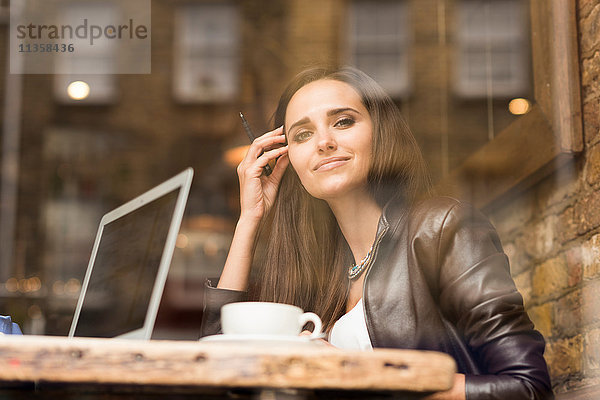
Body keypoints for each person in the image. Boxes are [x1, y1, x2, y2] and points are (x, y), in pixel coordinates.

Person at [200, 66, 553, 400]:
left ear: (378, 132)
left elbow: (526, 388)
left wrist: (356, 375)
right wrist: (250, 218)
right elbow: (217, 371)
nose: (324, 142)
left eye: (343, 121)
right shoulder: (315, 275)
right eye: (303, 134)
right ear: (288, 158)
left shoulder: (440, 228)